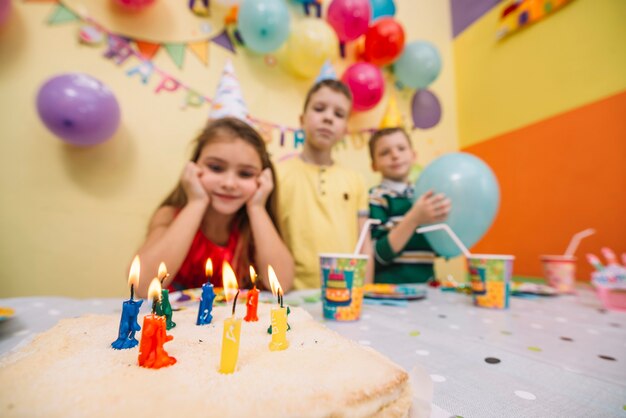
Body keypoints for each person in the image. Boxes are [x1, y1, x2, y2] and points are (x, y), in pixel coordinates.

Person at [133, 117, 294, 298]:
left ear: (262, 179)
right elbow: (143, 286)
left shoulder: (254, 226)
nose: (229, 183)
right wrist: (196, 203)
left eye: (245, 174)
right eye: (216, 168)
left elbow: (282, 283)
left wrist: (257, 207)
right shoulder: (169, 216)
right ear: (193, 169)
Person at [277, 79, 370, 289]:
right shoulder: (277, 174)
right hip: (292, 293)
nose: (328, 118)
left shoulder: (356, 180)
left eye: (338, 114)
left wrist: (367, 291)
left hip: (347, 292)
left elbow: (364, 241)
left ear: (345, 130)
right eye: (319, 109)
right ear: (302, 120)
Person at [368, 127, 451, 284]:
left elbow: (439, 249)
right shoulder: (376, 198)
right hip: (389, 291)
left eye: (401, 148)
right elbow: (377, 256)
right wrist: (414, 218)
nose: (395, 155)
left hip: (427, 289)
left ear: (413, 156)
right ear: (374, 165)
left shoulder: (426, 197)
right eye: (385, 152)